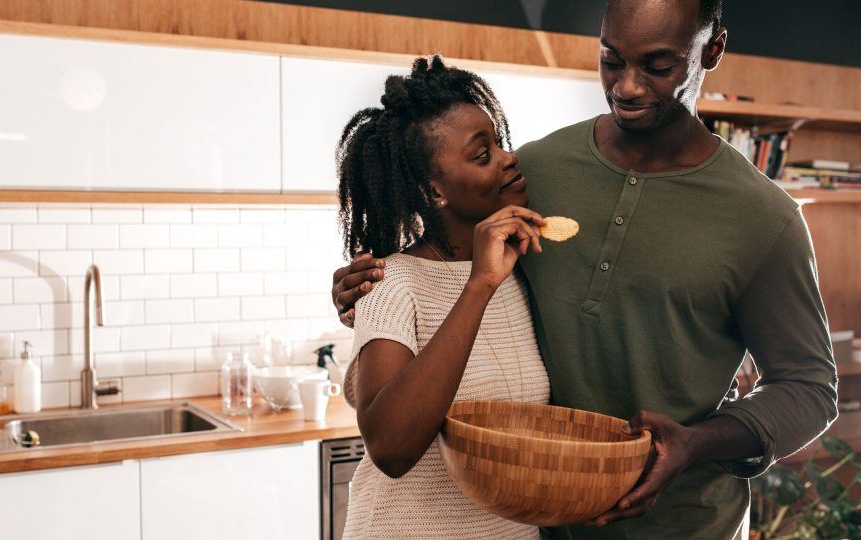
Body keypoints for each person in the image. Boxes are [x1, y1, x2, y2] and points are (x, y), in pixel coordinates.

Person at [330, 1, 839, 539]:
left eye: (658, 66)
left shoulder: (765, 218)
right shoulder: (533, 171)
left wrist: (697, 444)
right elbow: (446, 258)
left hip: (684, 526)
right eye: (610, 60)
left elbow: (809, 388)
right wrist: (366, 292)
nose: (628, 87)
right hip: (543, 524)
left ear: (711, 50)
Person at [336, 55, 551, 539]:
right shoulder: (393, 283)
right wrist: (479, 284)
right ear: (432, 192)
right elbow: (390, 447)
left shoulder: (522, 272)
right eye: (482, 155)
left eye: (499, 143)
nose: (507, 158)